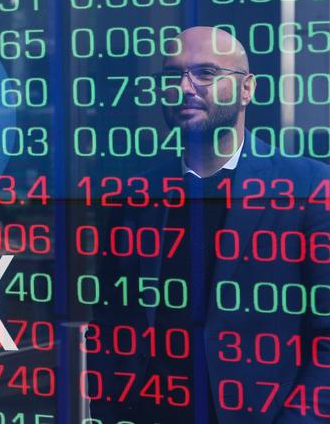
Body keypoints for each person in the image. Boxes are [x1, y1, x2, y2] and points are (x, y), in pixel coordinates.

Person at [88, 26, 330, 423]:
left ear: (247, 89)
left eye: (205, 73)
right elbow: (112, 324)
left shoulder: (309, 187)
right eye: (173, 76)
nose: (186, 87)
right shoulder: (136, 195)